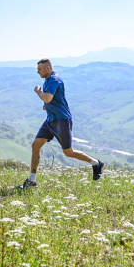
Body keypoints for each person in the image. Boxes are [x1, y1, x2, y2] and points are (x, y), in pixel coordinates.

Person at [18, 58, 103, 189]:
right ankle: (32, 181)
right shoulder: (48, 80)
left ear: (48, 68)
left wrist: (38, 92)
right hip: (50, 120)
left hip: (62, 121)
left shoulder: (54, 80)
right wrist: (48, 106)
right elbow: (51, 99)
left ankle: (96, 163)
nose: (37, 72)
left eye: (39, 69)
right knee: (35, 145)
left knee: (68, 152)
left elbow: (46, 97)